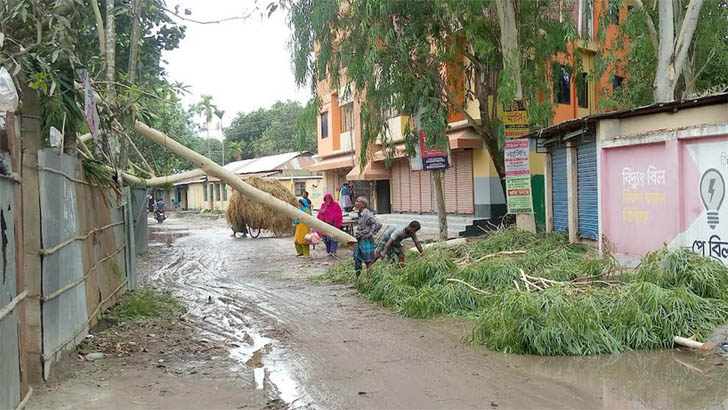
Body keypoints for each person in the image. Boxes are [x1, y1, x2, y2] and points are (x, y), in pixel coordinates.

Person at [352, 196, 381, 278]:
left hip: (366, 240)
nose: (356, 203)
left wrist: (370, 234)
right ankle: (358, 280)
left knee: (368, 261)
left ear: (363, 204)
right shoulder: (360, 213)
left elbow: (378, 224)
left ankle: (369, 280)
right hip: (359, 239)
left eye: (358, 201)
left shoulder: (367, 214)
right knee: (357, 260)